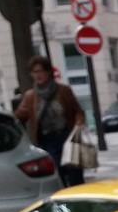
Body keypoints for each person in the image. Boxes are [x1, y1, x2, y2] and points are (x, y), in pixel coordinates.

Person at [15, 55, 87, 187]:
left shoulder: (63, 91)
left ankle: (78, 201)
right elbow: (20, 116)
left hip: (67, 137)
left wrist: (79, 122)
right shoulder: (30, 96)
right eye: (34, 72)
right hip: (48, 141)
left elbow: (77, 110)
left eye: (41, 71)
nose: (38, 75)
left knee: (74, 174)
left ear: (48, 72)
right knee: (57, 175)